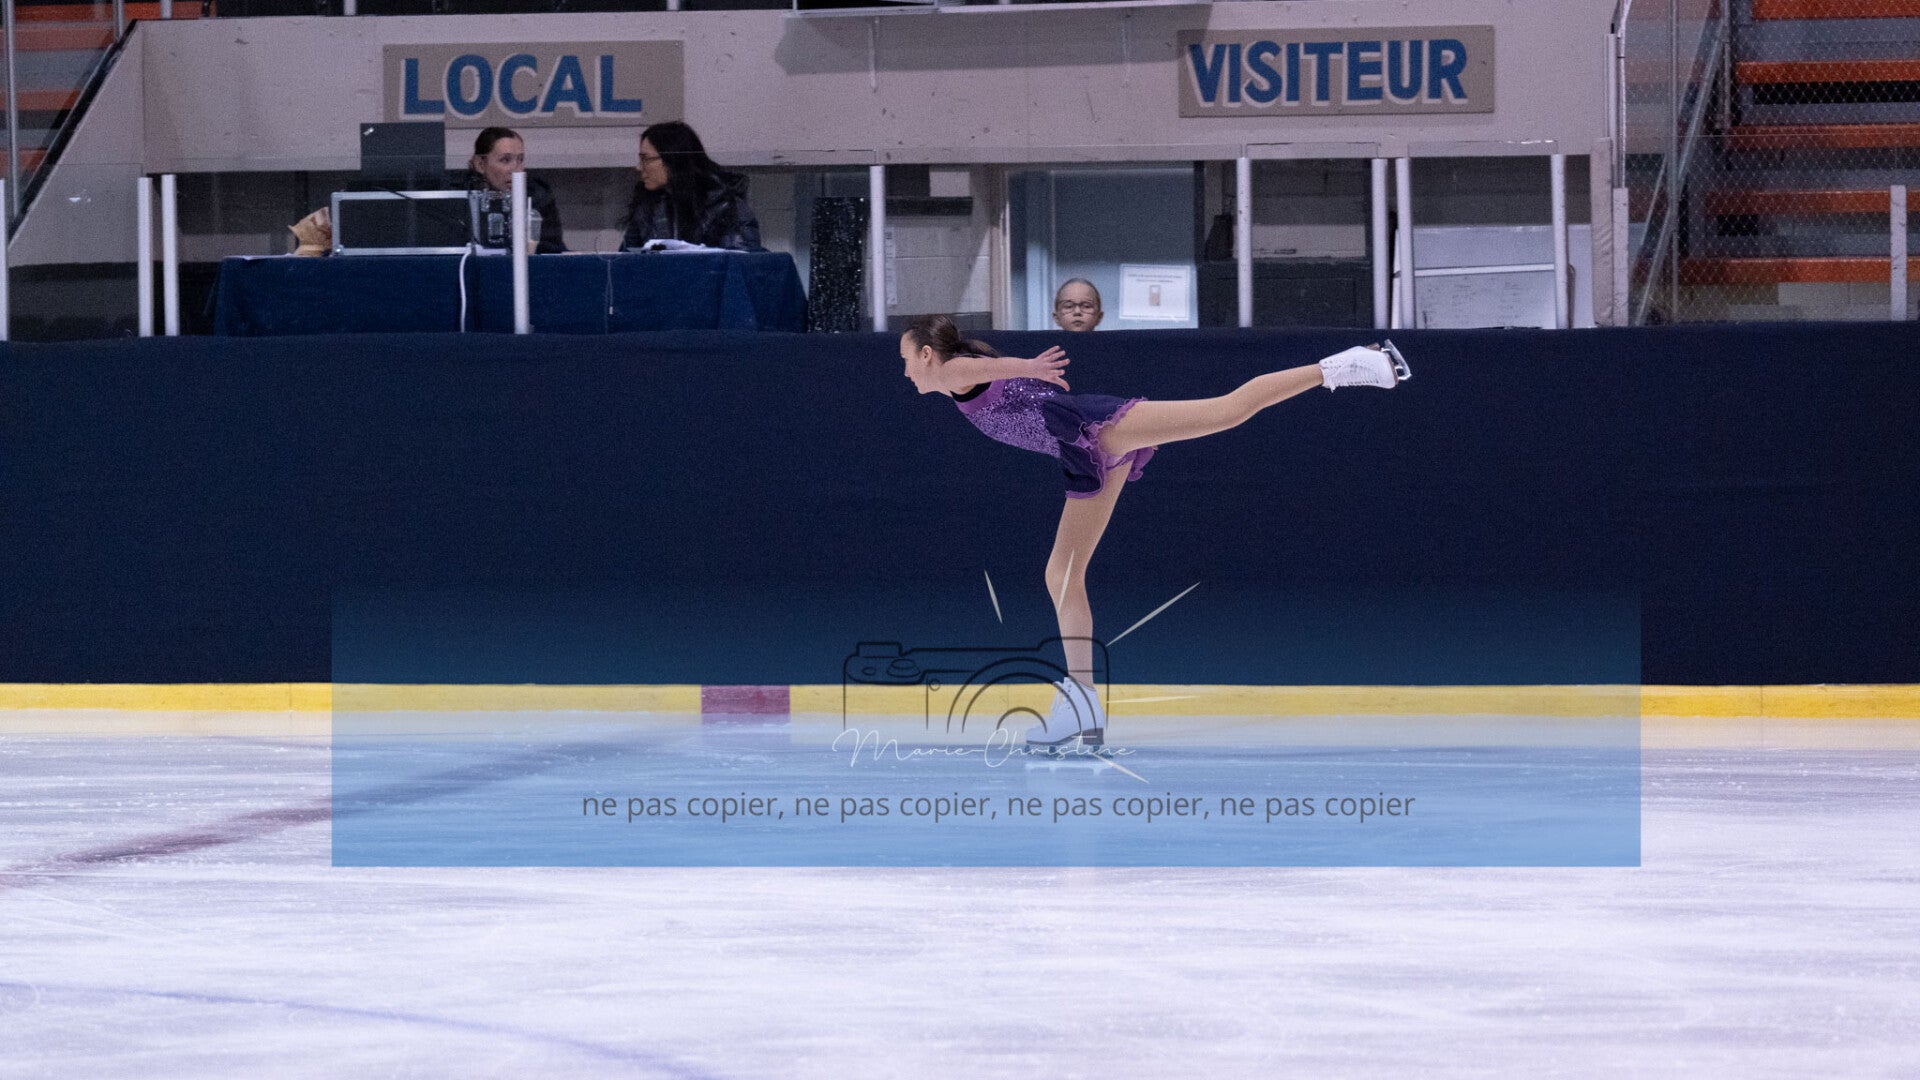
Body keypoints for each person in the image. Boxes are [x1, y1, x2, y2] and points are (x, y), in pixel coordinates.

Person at [899, 314, 1410, 750]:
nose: (905, 372)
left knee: (1226, 409)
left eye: (906, 360)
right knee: (1063, 574)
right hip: (1089, 452)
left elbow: (976, 367)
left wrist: (1028, 366)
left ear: (927, 355)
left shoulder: (954, 371)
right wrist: (1024, 369)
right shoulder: (957, 381)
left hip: (1097, 429)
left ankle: (1344, 366)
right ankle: (1081, 703)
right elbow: (984, 371)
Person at [620, 121, 764, 252]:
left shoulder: (726, 206)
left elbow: (740, 263)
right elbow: (623, 262)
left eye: (646, 159)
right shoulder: (646, 208)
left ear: (672, 159)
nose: (639, 167)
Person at [464, 126, 566, 254]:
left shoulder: (537, 195)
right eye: (505, 160)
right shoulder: (460, 198)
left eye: (520, 159)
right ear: (480, 164)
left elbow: (552, 249)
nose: (516, 169)